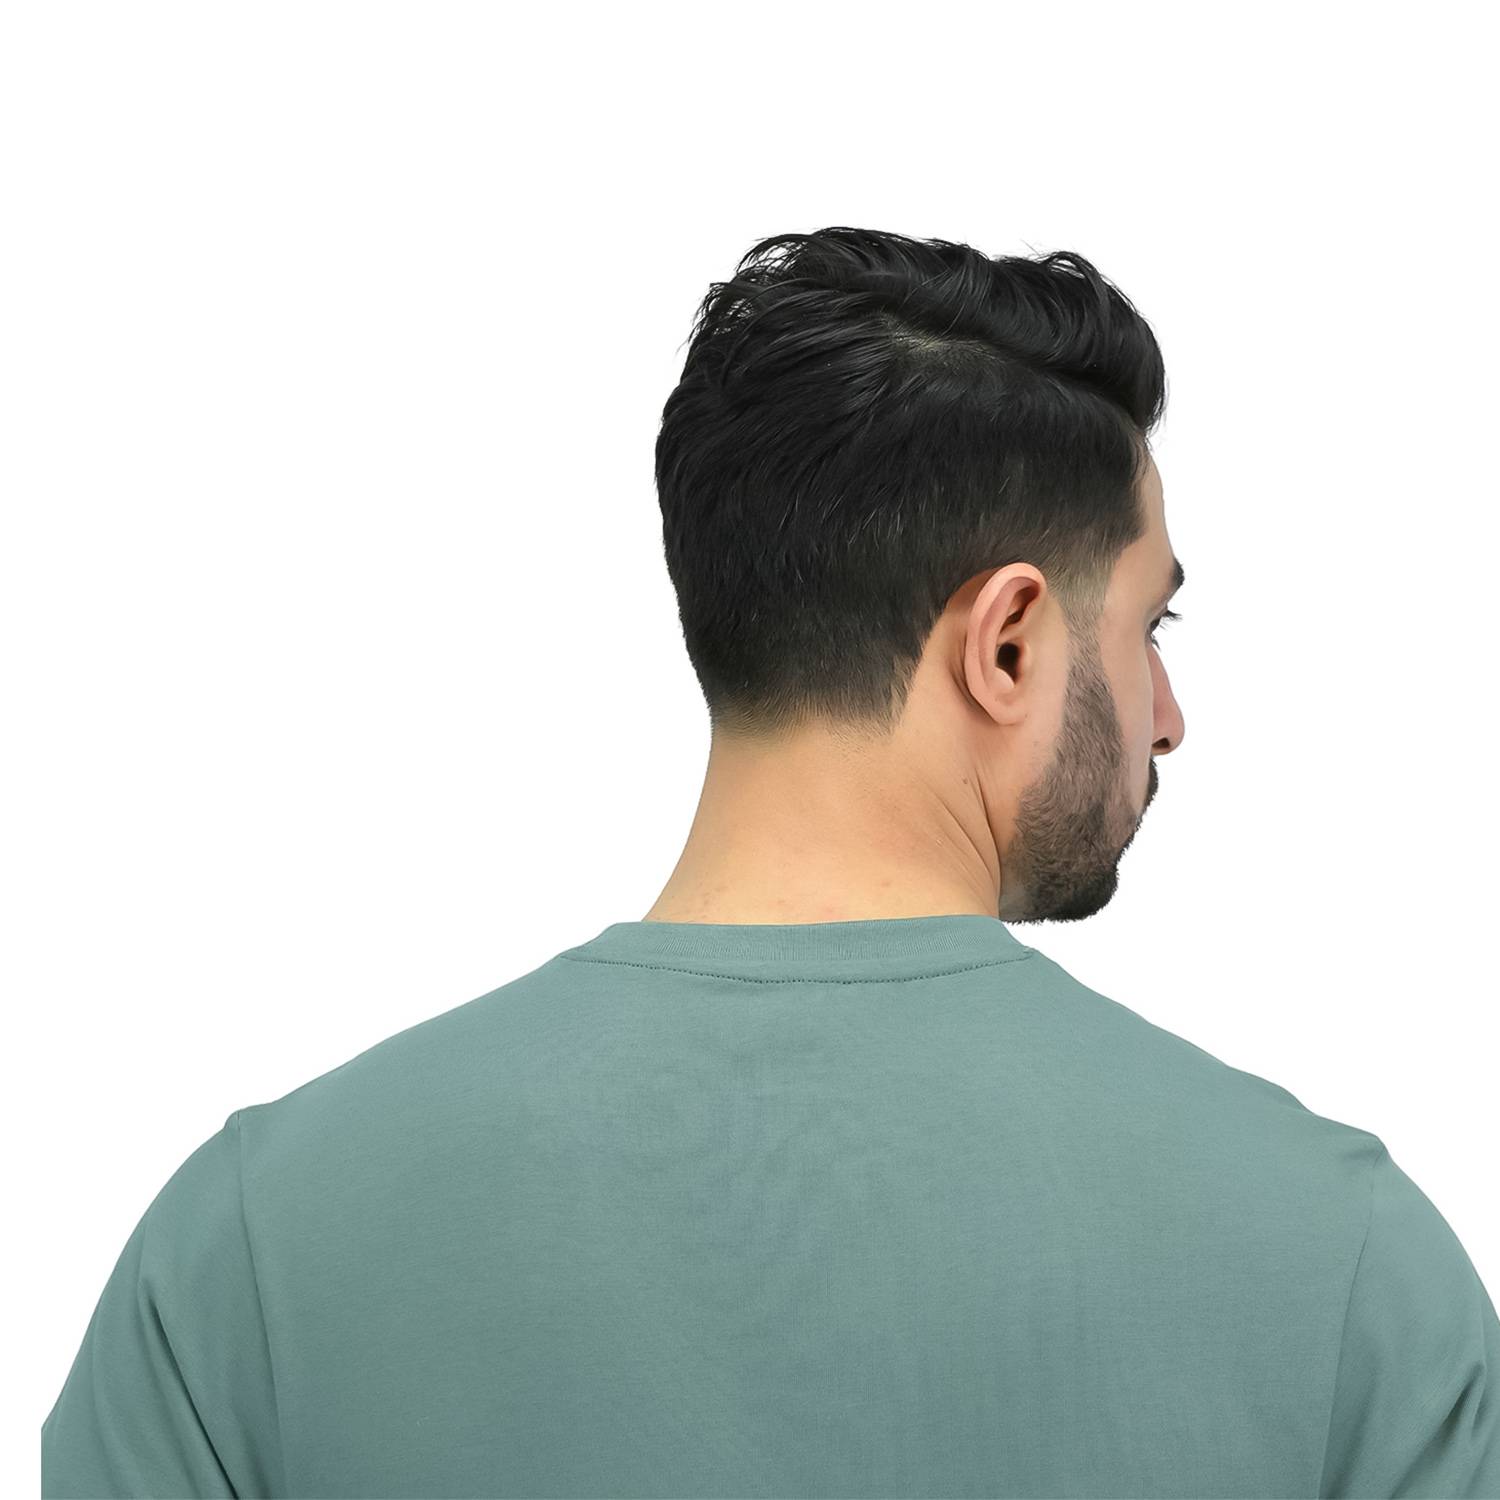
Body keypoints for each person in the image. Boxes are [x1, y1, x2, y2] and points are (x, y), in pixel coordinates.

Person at [42, 226, 1499, 1499]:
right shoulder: (1347, 1268)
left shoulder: (243, 1257)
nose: (1168, 717)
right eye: (1147, 629)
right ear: (1007, 645)